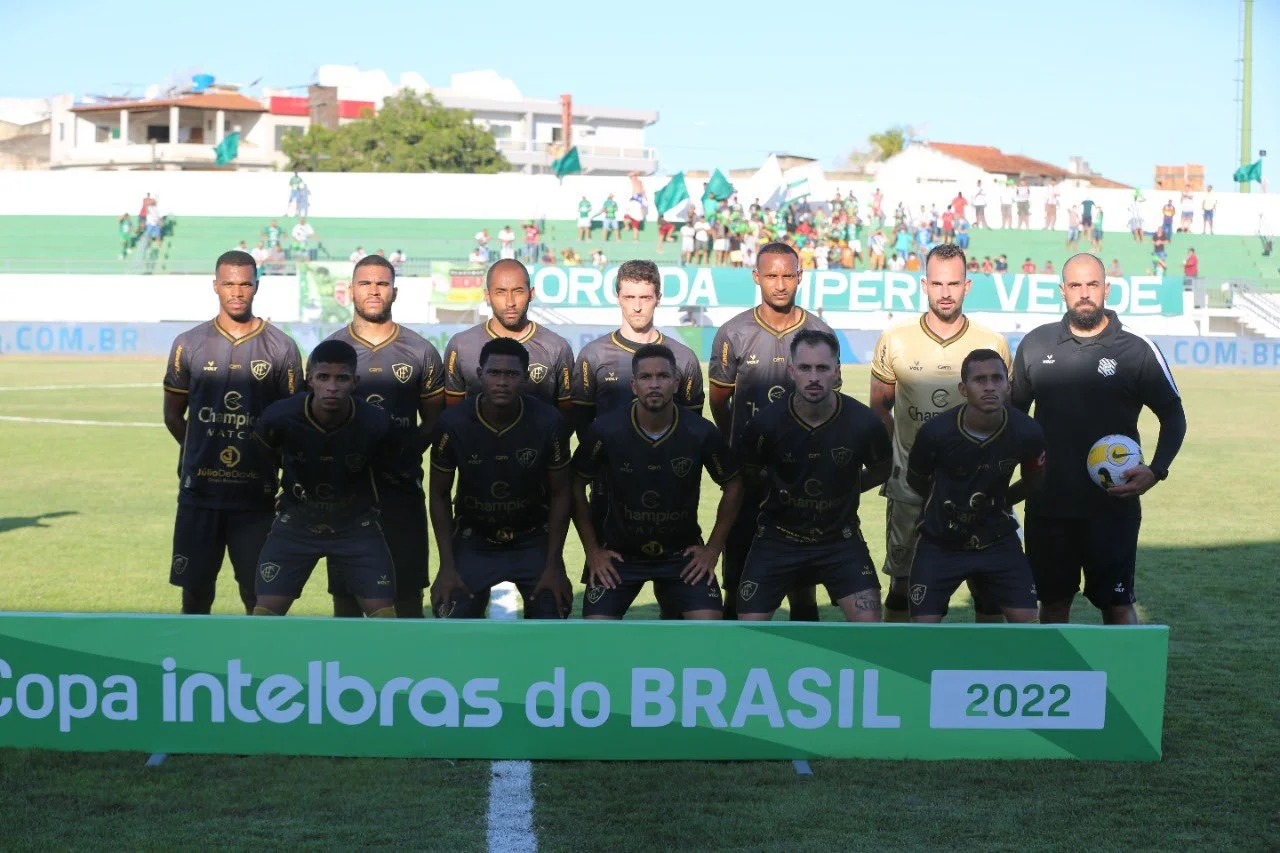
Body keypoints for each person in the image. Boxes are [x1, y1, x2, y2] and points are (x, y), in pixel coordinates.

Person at [1011, 253, 1187, 625]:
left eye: (1092, 284)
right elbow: (1013, 420)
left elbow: (1173, 415)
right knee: (1054, 606)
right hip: (1048, 506)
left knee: (1118, 606)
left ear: (1106, 289)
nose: (1084, 293)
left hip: (1113, 507)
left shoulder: (1137, 349)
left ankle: (1125, 685)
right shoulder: (1035, 345)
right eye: (1075, 285)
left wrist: (1156, 470)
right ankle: (1055, 681)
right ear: (1063, 291)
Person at [869, 242, 1013, 622]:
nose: (945, 293)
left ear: (967, 285)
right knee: (903, 586)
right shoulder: (894, 339)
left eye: (953, 284)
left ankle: (986, 673)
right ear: (924, 284)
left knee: (987, 590)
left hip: (977, 488)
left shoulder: (992, 343)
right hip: (911, 489)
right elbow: (879, 406)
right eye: (936, 284)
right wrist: (893, 463)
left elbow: (1006, 416)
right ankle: (895, 670)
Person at [162, 250, 303, 615]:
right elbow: (174, 415)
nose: (237, 292)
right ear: (215, 286)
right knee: (195, 592)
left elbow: (293, 424)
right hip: (200, 493)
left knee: (257, 595)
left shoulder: (281, 347)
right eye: (229, 284)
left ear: (256, 286)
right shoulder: (188, 343)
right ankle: (193, 666)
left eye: (244, 284)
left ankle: (257, 667)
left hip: (256, 497)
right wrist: (200, 448)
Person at [709, 243, 839, 621]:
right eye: (771, 276)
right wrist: (739, 445)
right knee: (738, 577)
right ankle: (732, 665)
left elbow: (831, 404)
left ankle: (806, 668)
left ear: (800, 277)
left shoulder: (819, 331)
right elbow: (720, 402)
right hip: (749, 477)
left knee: (803, 585)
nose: (779, 284)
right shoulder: (733, 332)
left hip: (803, 475)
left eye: (787, 275)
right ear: (756, 278)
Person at [573, 344, 742, 620]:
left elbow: (734, 483)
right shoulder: (606, 429)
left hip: (681, 555)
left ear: (675, 384)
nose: (654, 384)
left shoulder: (700, 432)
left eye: (663, 377)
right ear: (633, 385)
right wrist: (593, 550)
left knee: (710, 627)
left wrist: (712, 548)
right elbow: (574, 482)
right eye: (645, 377)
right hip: (619, 557)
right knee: (596, 630)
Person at [735, 330, 891, 622]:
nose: (814, 377)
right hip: (778, 538)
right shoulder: (765, 424)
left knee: (870, 623)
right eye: (805, 368)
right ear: (792, 371)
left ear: (837, 372)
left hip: (839, 539)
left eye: (822, 368)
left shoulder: (865, 423)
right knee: (749, 626)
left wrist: (847, 488)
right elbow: (751, 474)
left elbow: (882, 469)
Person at [323, 255, 444, 619]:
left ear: (394, 291)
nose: (374, 290)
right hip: (345, 499)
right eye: (365, 283)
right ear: (350, 290)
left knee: (407, 600)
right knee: (346, 603)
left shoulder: (421, 351)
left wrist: (406, 453)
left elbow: (435, 421)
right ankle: (346, 677)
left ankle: (411, 677)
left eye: (381, 283)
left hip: (401, 495)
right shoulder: (331, 350)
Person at [429, 338, 574, 619]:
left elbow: (561, 493)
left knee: (553, 616)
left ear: (526, 378)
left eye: (511, 374)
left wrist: (554, 563)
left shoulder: (549, 422)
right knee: (452, 621)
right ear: (480, 375)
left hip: (532, 539)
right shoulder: (453, 423)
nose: (502, 381)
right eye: (494, 373)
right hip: (474, 539)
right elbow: (438, 494)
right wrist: (447, 566)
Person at [251, 340, 395, 617]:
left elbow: (385, 467)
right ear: (310, 380)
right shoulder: (280, 416)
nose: (332, 386)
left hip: (356, 526)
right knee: (264, 618)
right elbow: (264, 454)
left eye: (341, 378)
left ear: (355, 382)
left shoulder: (376, 422)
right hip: (296, 524)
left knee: (386, 619)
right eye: (323, 377)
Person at [905, 349, 1046, 623]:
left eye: (997, 378)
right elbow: (916, 480)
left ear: (1009, 385)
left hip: (997, 539)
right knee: (923, 627)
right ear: (963, 388)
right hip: (940, 540)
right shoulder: (935, 433)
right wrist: (945, 502)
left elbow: (1034, 481)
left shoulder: (1028, 431)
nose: (990, 386)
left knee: (1027, 621)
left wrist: (1002, 502)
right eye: (980, 380)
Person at [444, 259, 573, 414]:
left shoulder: (557, 347)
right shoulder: (460, 346)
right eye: (500, 292)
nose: (510, 302)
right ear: (487, 295)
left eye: (518, 291)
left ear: (531, 294)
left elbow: (567, 416)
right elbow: (451, 415)